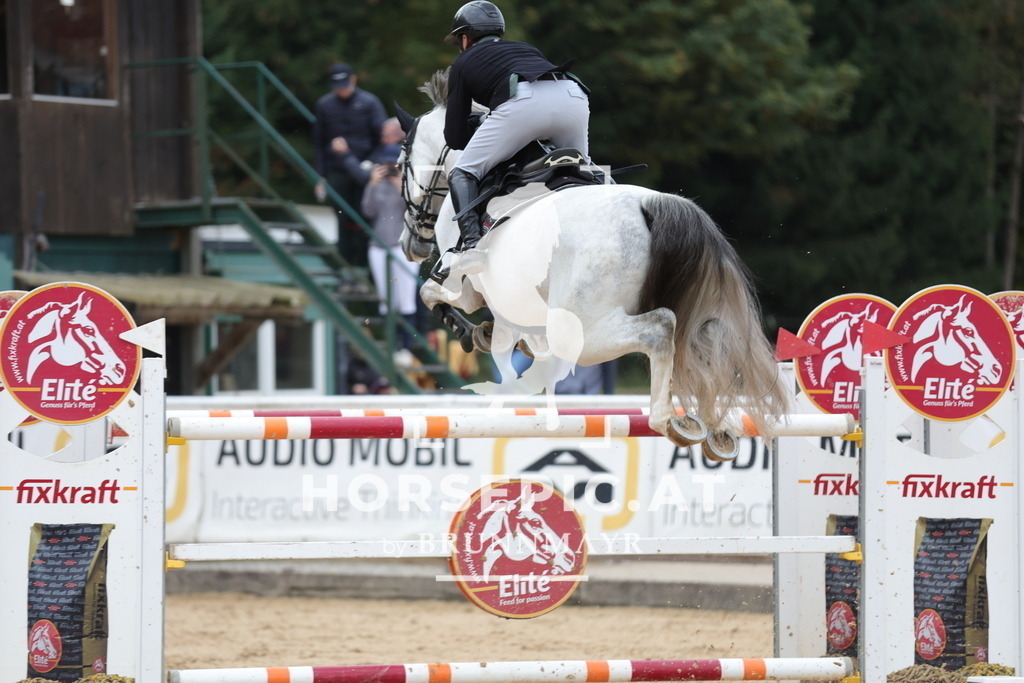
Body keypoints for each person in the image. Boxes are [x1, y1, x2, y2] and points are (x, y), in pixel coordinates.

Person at [442, 1, 591, 262]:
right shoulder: (526, 48)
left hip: (524, 103)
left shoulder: (463, 63)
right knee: (584, 170)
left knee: (463, 172)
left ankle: (473, 248)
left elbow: (454, 138)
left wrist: (478, 127)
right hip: (572, 96)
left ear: (464, 39)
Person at [313, 62, 388, 269]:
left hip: (365, 170)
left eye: (345, 84)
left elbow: (381, 140)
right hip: (337, 170)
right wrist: (320, 176)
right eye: (337, 85)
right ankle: (344, 264)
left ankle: (365, 265)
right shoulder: (324, 105)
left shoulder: (370, 102)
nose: (342, 89)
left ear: (353, 80)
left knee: (364, 215)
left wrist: (372, 164)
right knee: (342, 216)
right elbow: (319, 143)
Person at [360, 140, 420, 354]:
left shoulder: (408, 182)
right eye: (385, 163)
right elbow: (368, 210)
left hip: (402, 246)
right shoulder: (377, 183)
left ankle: (406, 346)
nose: (389, 167)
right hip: (378, 246)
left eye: (393, 163)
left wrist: (401, 184)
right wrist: (372, 183)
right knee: (386, 299)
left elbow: (415, 210)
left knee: (406, 298)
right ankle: (391, 344)